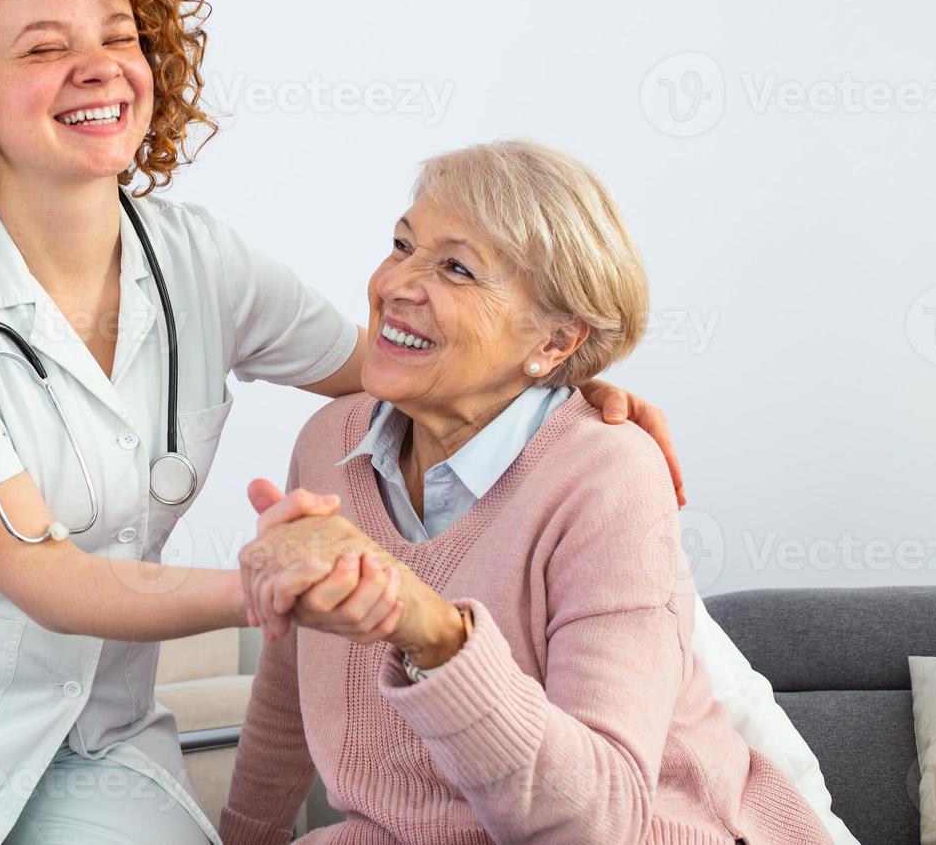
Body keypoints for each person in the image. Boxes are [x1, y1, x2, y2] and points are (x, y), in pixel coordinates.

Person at [0, 0, 679, 843]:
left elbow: (397, 360)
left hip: (94, 739)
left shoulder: (203, 264)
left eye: (119, 34)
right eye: (43, 46)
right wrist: (271, 581)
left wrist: (561, 389)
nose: (100, 66)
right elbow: (52, 579)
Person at [221, 141, 834, 844]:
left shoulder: (608, 477)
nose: (395, 283)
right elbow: (286, 695)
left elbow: (597, 824)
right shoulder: (329, 444)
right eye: (401, 245)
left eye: (456, 267)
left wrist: (436, 635)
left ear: (553, 341)